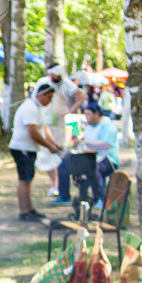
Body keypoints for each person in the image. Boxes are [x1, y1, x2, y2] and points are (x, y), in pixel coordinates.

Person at [9, 82, 61, 222]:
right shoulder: (30, 107)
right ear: (41, 95)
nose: (50, 101)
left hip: (29, 148)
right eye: (49, 97)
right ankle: (23, 211)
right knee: (24, 179)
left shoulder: (39, 108)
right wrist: (48, 146)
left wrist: (54, 144)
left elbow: (44, 129)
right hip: (22, 148)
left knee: (28, 179)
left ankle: (30, 209)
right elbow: (32, 132)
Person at [35, 64, 87, 197]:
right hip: (45, 121)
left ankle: (60, 185)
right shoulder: (43, 82)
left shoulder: (66, 84)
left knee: (59, 153)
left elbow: (82, 96)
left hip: (59, 124)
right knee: (46, 152)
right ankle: (54, 183)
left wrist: (70, 110)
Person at [53, 102, 119, 207]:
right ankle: (64, 196)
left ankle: (100, 199)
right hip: (89, 157)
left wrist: (84, 142)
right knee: (64, 164)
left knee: (92, 167)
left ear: (96, 114)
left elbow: (106, 145)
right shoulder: (89, 126)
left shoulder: (108, 125)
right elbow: (83, 142)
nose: (86, 117)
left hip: (107, 160)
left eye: (88, 114)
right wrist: (76, 142)